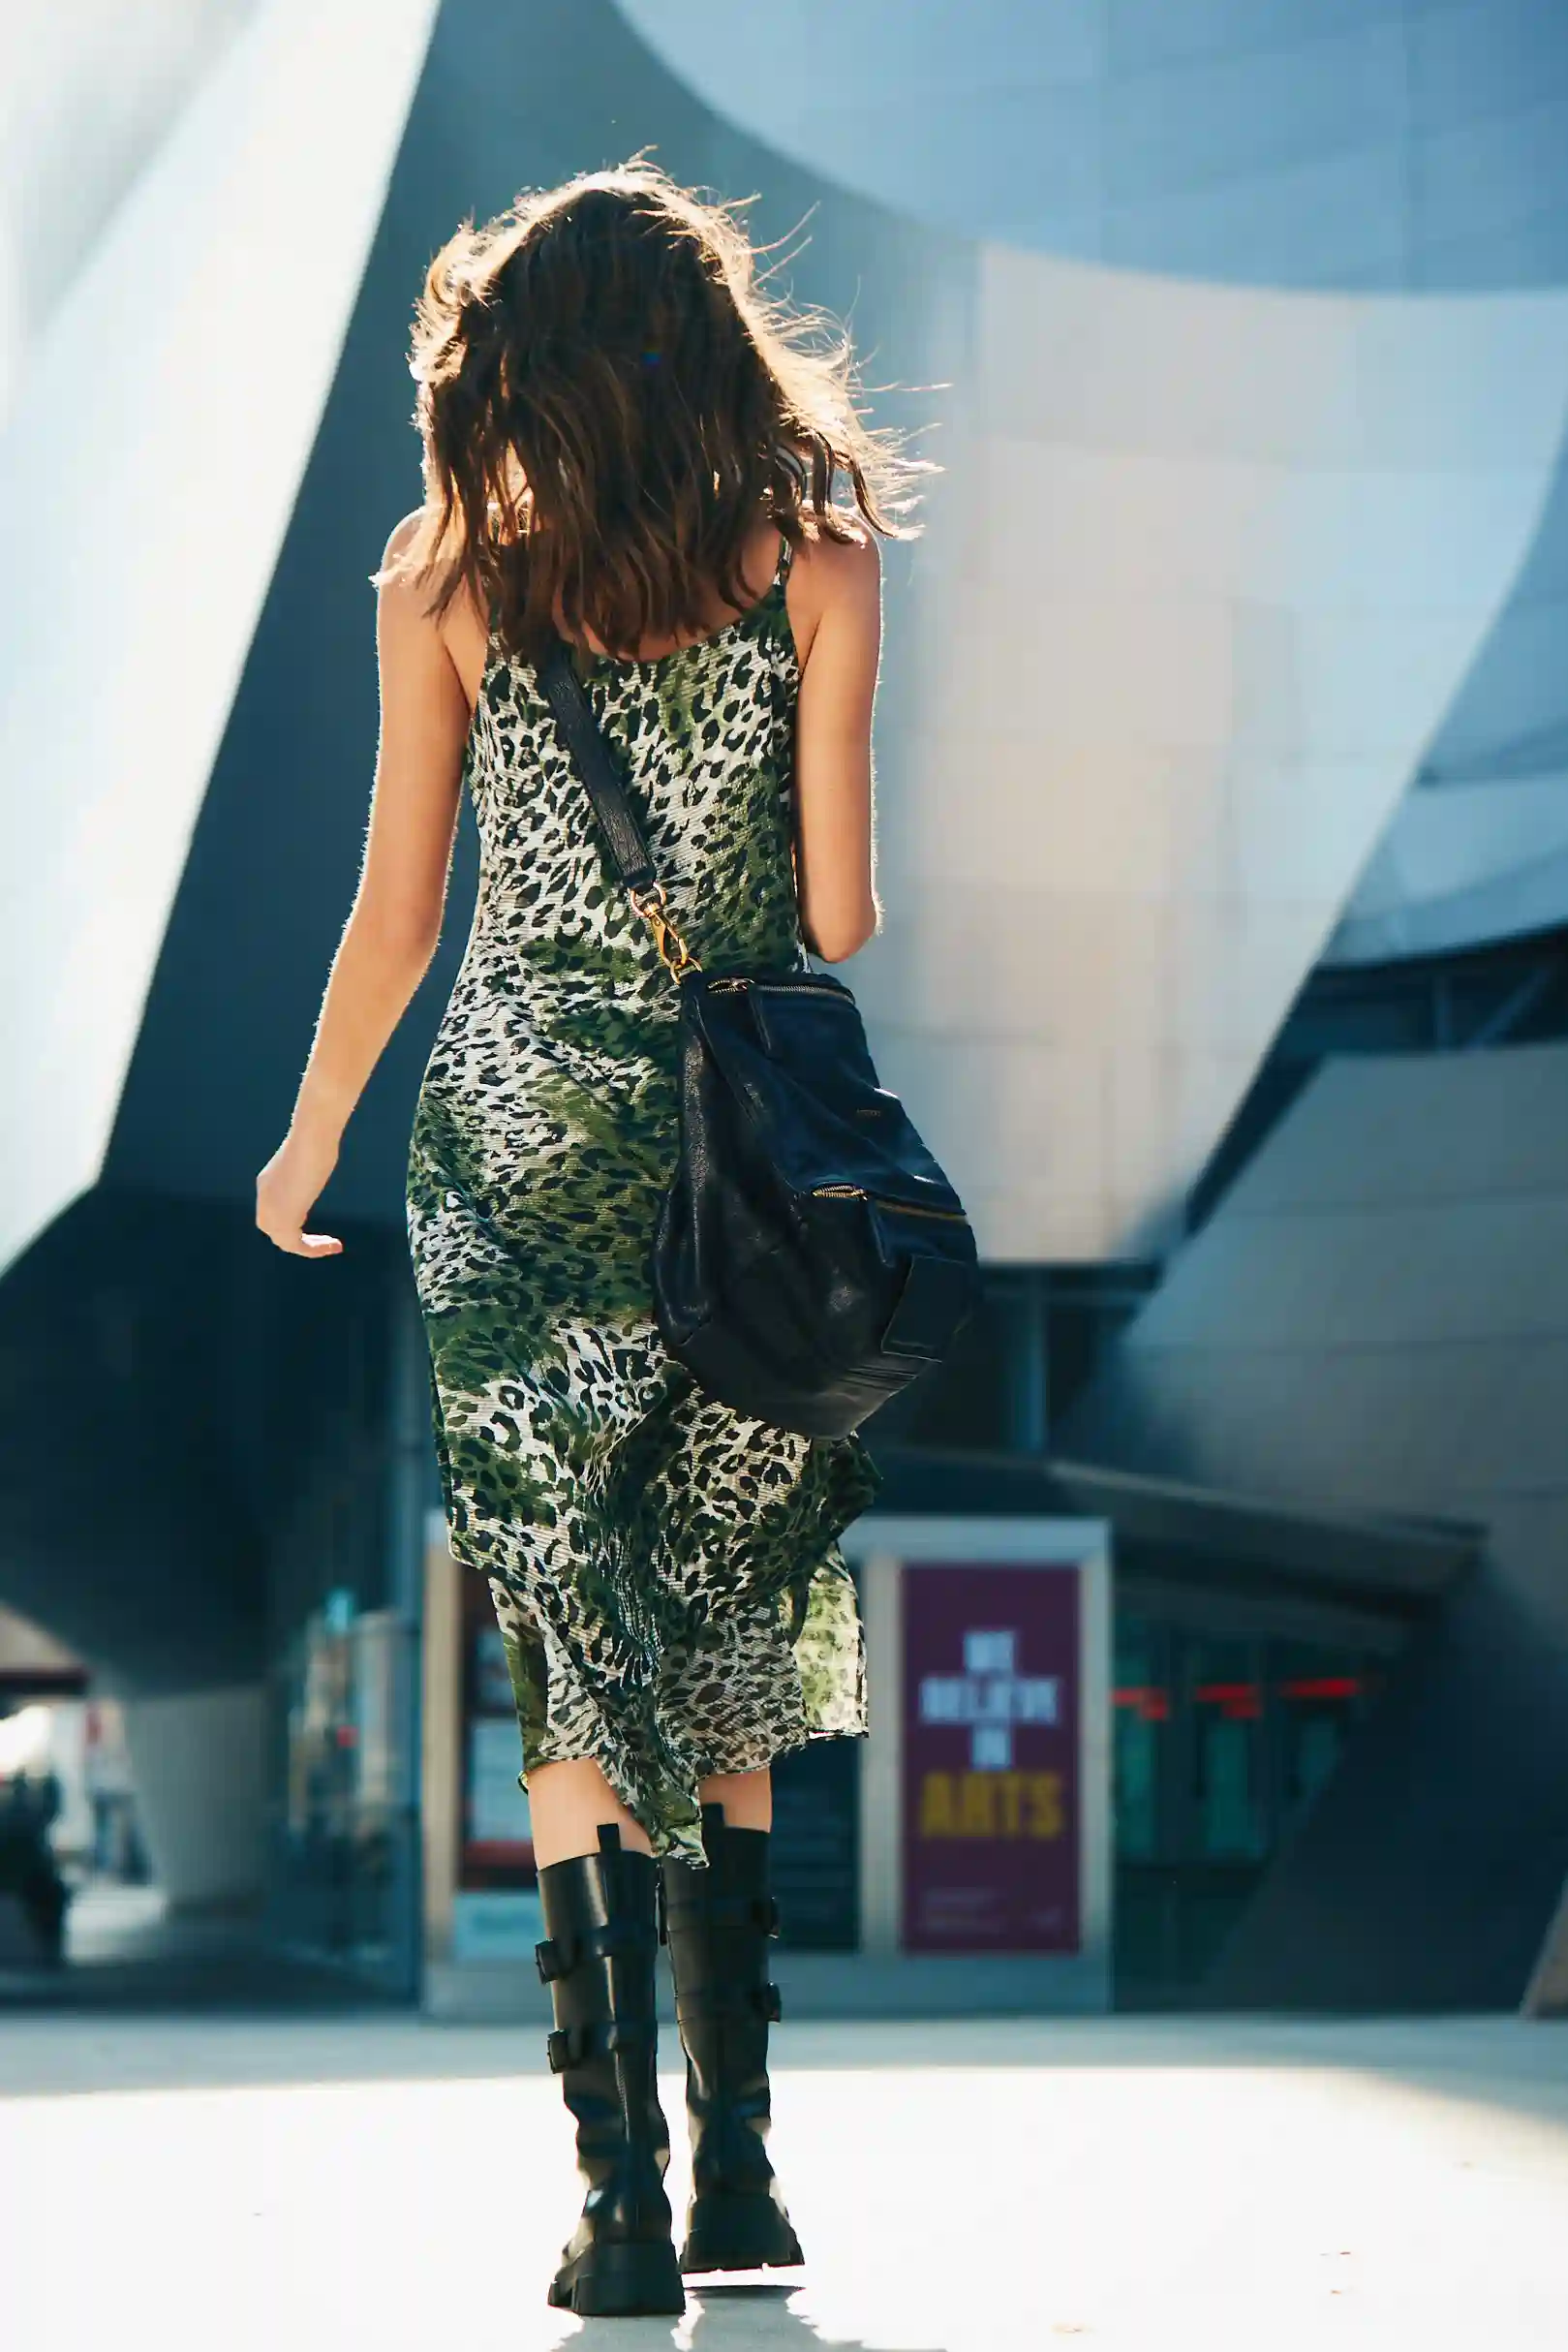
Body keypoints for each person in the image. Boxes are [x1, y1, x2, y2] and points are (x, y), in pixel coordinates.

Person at [256, 160, 923, 2318]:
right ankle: (740, 2179)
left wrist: (306, 1140)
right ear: (713, 343)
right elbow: (833, 920)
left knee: (573, 1641)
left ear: (520, 372)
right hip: (738, 1177)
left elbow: (396, 917)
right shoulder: (812, 560)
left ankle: (613, 2195)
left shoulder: (444, 587)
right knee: (719, 1630)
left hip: (517, 1155)